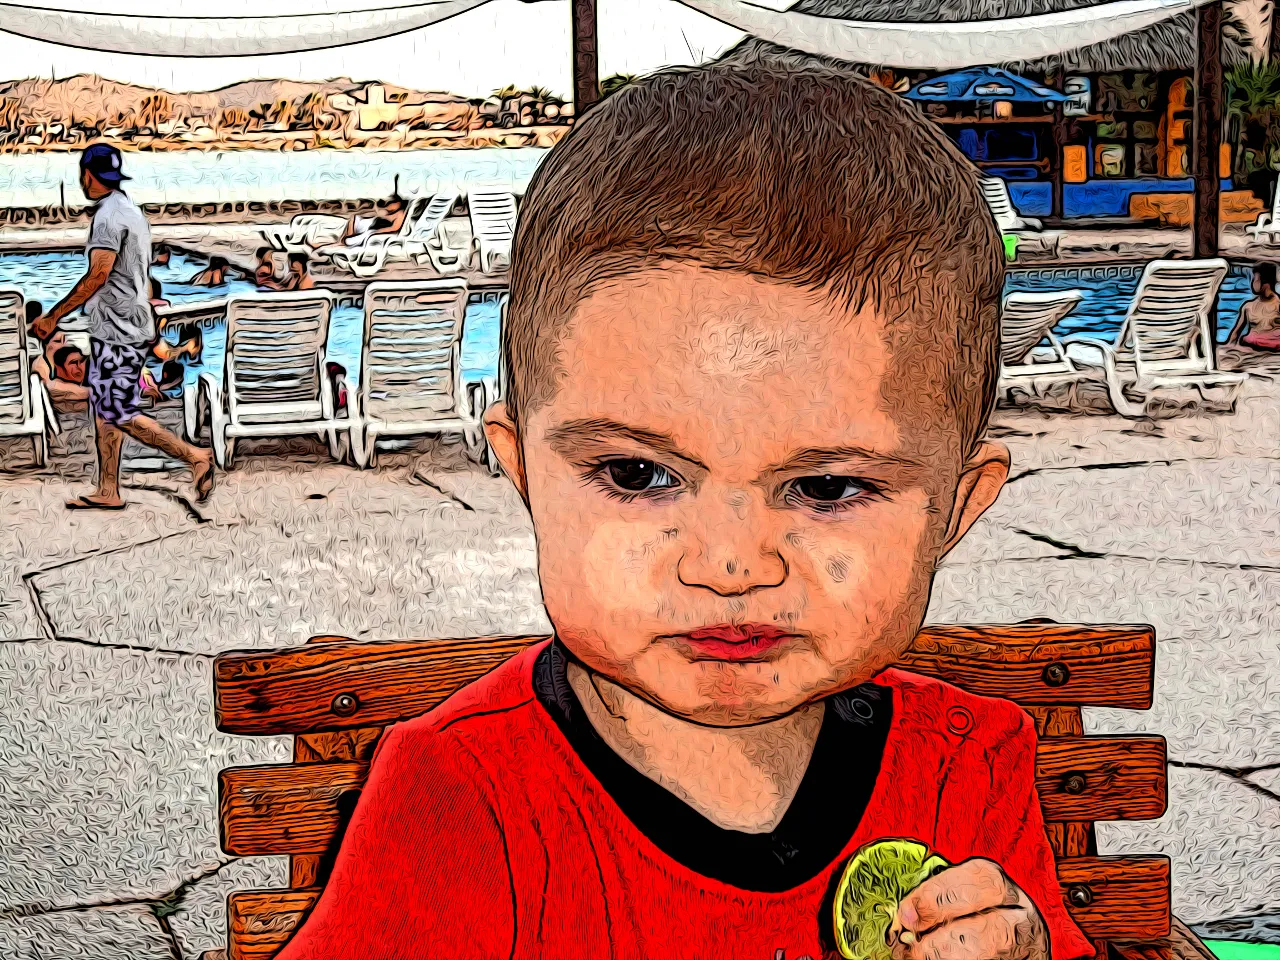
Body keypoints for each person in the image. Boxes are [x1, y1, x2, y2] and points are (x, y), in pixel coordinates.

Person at [273, 64, 1092, 960]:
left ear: (956, 507)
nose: (730, 564)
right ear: (523, 473)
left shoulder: (966, 767)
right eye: (635, 474)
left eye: (824, 488)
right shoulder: (458, 795)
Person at [33, 143, 213, 510]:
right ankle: (109, 488)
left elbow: (98, 274)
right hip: (123, 326)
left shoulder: (107, 218)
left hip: (118, 332)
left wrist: (54, 315)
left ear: (87, 175)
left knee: (117, 412)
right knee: (105, 410)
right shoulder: (129, 210)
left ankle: (195, 456)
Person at [28, 301, 90, 408]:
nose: (63, 344)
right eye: (57, 341)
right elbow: (50, 387)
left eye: (63, 340)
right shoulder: (40, 365)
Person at [1226, 262, 1280, 350]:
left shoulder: (1278, 305)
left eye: (1255, 279)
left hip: (1262, 346)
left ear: (1265, 282)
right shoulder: (1248, 307)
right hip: (1252, 345)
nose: (1252, 283)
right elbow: (1235, 334)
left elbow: (1235, 335)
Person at [336, 195, 406, 247]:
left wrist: (377, 232)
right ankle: (348, 236)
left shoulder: (400, 214)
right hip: (369, 224)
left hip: (374, 229)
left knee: (348, 241)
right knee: (355, 217)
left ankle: (348, 239)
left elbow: (394, 228)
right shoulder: (388, 208)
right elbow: (374, 214)